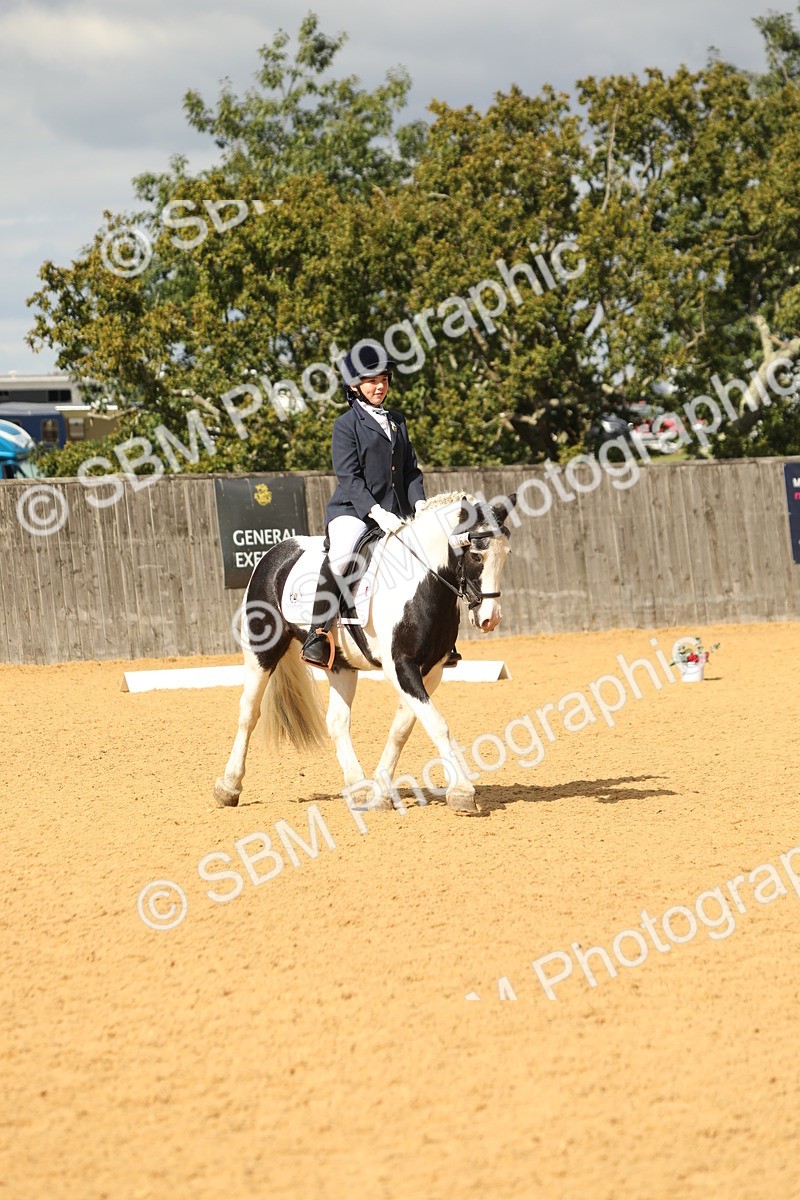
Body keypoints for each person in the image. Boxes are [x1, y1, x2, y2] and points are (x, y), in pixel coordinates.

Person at [300, 341, 461, 669]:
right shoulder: (346, 426)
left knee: (438, 554)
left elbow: (410, 471)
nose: (380, 386)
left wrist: (419, 506)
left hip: (399, 510)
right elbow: (349, 477)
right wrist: (375, 511)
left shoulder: (398, 421)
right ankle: (317, 633)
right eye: (372, 381)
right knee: (343, 554)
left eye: (384, 379)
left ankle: (444, 638)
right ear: (354, 386)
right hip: (353, 510)